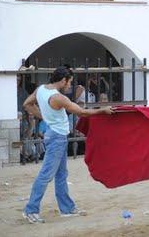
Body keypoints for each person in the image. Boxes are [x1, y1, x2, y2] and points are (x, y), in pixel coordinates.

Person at [22, 66, 113, 224]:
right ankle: (31, 210)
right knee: (46, 175)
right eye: (69, 82)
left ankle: (67, 208)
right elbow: (81, 113)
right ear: (63, 80)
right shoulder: (58, 98)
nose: (70, 85)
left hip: (55, 135)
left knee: (61, 175)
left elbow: (27, 104)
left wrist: (44, 116)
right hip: (57, 138)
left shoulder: (41, 89)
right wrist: (102, 110)